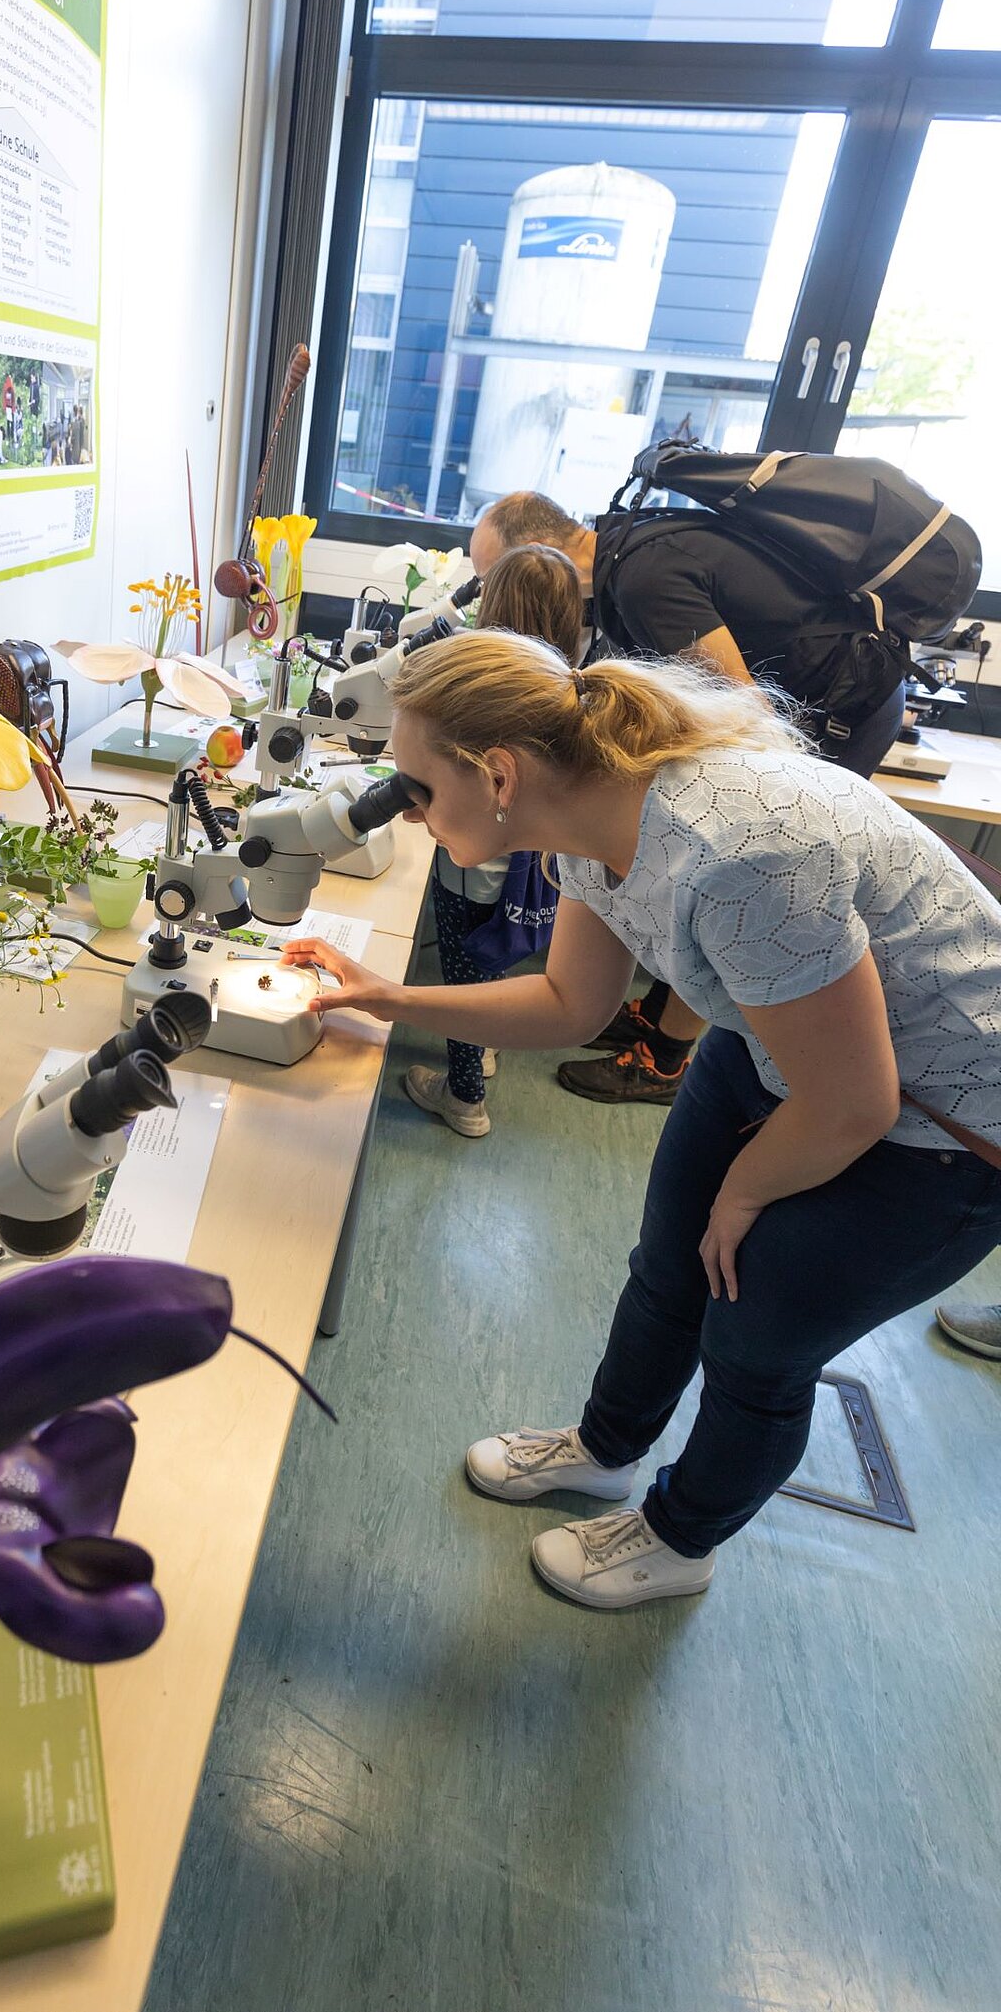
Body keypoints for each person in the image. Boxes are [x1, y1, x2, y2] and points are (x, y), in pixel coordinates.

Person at [283, 629, 1001, 1612]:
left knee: (756, 1334)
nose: (408, 815)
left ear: (496, 772)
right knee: (665, 1265)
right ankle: (605, 1450)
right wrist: (386, 999)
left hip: (947, 1122)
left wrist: (741, 1193)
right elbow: (569, 1004)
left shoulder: (735, 850)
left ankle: (680, 1538)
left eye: (415, 790)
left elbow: (852, 1102)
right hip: (778, 1046)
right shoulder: (586, 809)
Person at [474, 487, 909, 1107]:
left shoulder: (646, 580)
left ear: (538, 557)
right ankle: (656, 1014)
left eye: (488, 578)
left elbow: (749, 722)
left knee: (724, 864)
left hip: (838, 713)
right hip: (807, 700)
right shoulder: (628, 558)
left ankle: (667, 1058)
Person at [404, 544, 583, 1138]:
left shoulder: (482, 687)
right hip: (531, 871)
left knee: (462, 982)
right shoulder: (561, 683)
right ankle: (483, 1048)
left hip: (473, 869)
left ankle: (465, 1099)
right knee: (496, 955)